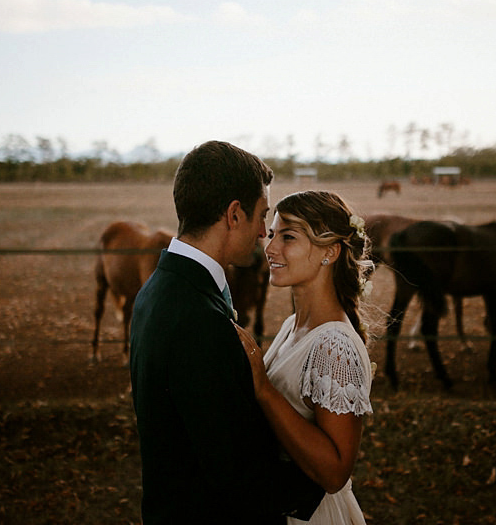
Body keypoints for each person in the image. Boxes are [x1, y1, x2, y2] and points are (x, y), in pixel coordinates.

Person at [129, 141, 324, 525]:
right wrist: (327, 478)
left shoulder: (159, 288)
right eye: (262, 215)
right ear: (234, 214)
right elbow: (235, 474)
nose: (264, 232)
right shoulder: (198, 321)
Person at [234, 190, 376, 525]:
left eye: (288, 237)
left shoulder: (334, 346)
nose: (269, 249)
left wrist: (263, 389)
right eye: (271, 235)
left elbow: (334, 473)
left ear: (330, 251)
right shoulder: (291, 325)